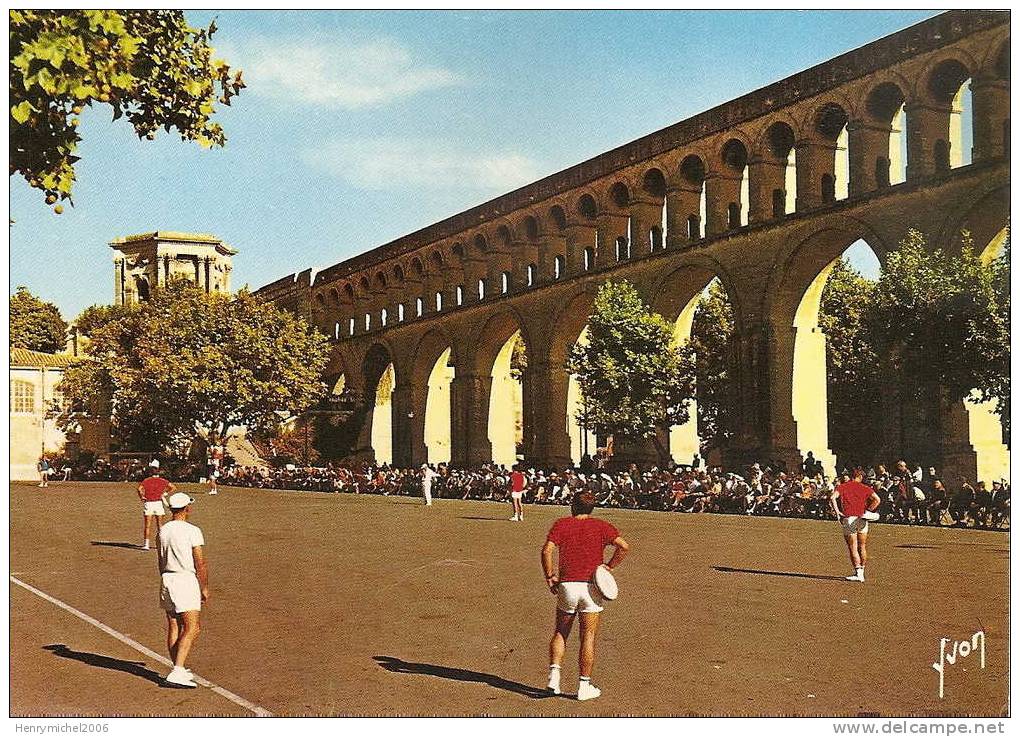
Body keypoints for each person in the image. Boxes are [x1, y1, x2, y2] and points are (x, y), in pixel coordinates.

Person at [540, 490, 630, 701]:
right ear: (592, 508)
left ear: (573, 506)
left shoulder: (562, 524)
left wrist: (550, 576)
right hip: (591, 587)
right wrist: (608, 567)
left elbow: (546, 551)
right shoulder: (601, 526)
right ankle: (584, 686)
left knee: (561, 632)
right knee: (587, 636)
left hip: (568, 585)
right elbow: (623, 546)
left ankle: (554, 677)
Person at [158, 492, 209, 688]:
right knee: (193, 627)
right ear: (187, 509)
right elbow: (200, 562)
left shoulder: (162, 531)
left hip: (167, 578)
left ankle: (177, 667)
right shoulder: (192, 530)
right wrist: (204, 587)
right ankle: (178, 670)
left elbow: (160, 561)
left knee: (174, 625)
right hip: (184, 580)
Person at [829, 468, 881, 582]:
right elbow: (877, 500)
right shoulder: (865, 487)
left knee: (853, 547)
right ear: (861, 477)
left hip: (849, 518)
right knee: (862, 546)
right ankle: (861, 572)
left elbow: (832, 497)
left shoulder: (843, 486)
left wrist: (837, 512)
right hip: (862, 518)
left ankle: (858, 573)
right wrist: (867, 511)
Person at [138, 461, 174, 550]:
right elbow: (173, 487)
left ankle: (146, 544)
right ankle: (161, 544)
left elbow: (139, 489)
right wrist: (165, 493)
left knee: (147, 525)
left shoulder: (146, 481)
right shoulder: (162, 481)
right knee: (160, 525)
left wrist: (142, 497)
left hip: (149, 503)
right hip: (158, 503)